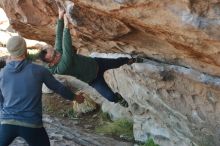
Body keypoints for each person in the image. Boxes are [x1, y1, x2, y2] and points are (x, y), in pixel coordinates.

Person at [39, 3, 143, 108]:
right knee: (110, 97)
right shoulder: (61, 69)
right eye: (54, 55)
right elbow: (67, 50)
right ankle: (118, 98)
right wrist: (67, 27)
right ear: (51, 63)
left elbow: (58, 37)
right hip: (93, 80)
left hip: (96, 63)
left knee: (118, 62)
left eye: (55, 52)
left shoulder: (56, 53)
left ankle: (131, 60)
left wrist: (60, 16)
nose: (57, 53)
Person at [0, 36, 84, 146]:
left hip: (7, 123)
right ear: (25, 50)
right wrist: (76, 98)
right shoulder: (39, 71)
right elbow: (59, 88)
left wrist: (5, 111)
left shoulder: (2, 73)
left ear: (10, 52)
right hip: (31, 124)